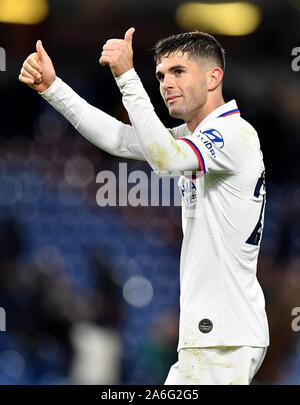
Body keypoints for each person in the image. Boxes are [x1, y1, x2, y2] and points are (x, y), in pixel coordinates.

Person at [19, 28, 269, 385]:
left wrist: (126, 76)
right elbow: (120, 139)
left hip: (223, 336)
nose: (166, 82)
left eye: (179, 71)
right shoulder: (199, 137)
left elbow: (166, 160)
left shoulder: (233, 134)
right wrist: (54, 88)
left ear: (215, 77)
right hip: (216, 335)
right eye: (161, 75)